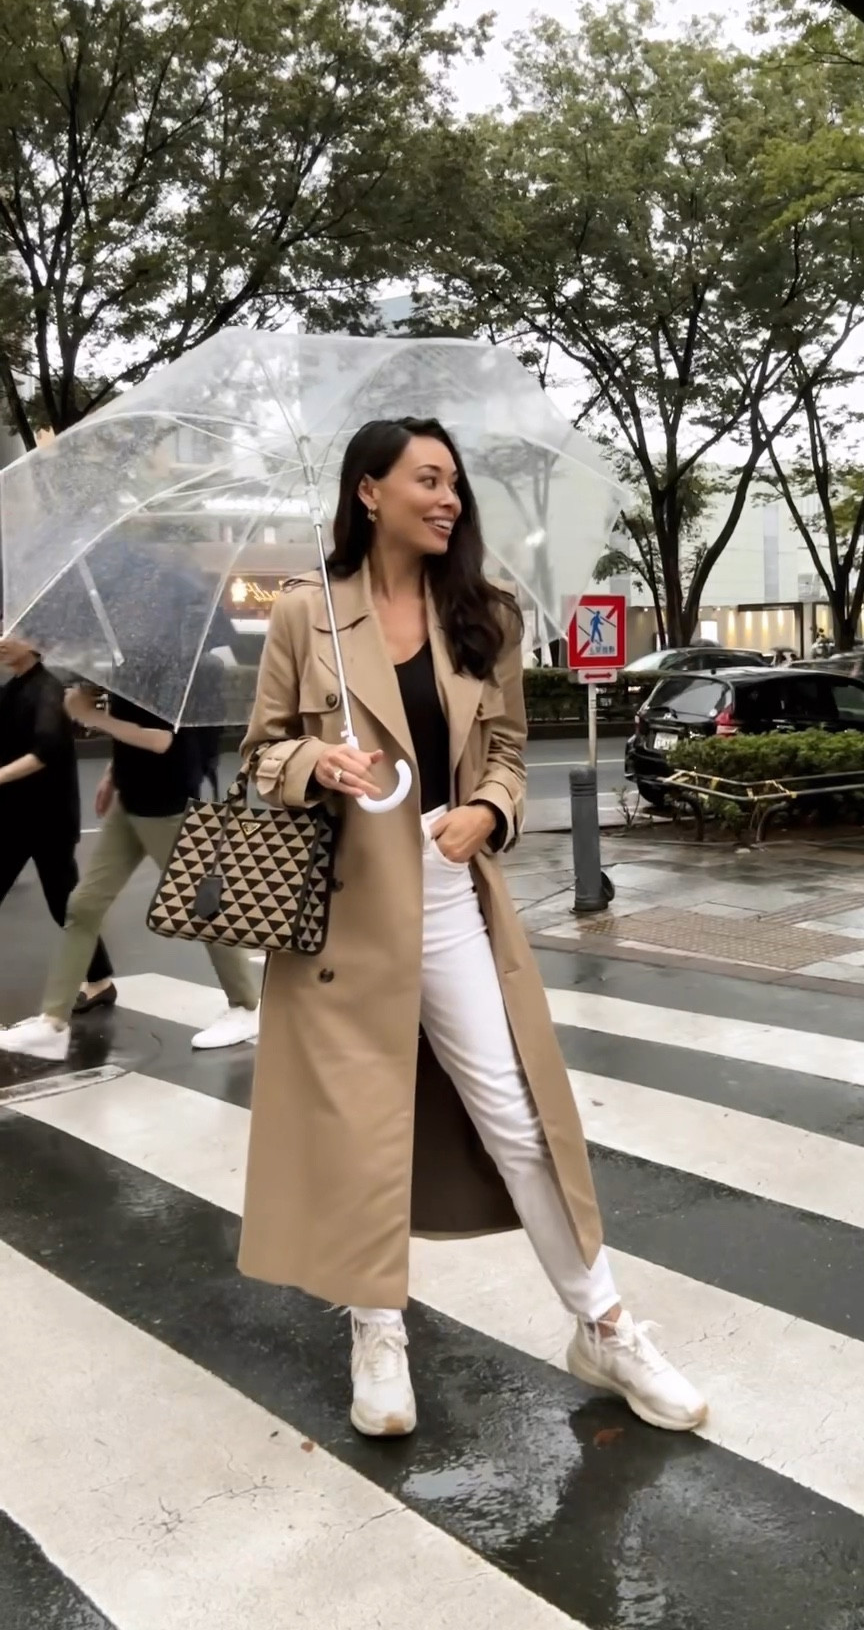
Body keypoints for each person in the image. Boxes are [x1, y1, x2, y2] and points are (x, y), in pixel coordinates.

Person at [239, 416, 707, 1439]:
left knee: (519, 1116)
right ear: (369, 491)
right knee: (364, 1128)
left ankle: (605, 1324)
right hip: (338, 916)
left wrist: (488, 812)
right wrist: (313, 765)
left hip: (447, 897)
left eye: (453, 483)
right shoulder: (304, 616)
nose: (448, 498)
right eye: (427, 480)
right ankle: (377, 1329)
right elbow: (259, 750)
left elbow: (504, 753)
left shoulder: (483, 613)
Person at [0, 682, 260, 1062]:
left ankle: (246, 1007)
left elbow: (161, 741)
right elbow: (132, 725)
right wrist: (112, 772)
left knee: (204, 908)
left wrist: (91, 717)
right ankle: (53, 1025)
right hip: (131, 801)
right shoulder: (132, 664)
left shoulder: (176, 668)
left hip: (168, 806)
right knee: (84, 905)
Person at [0, 634, 115, 1005]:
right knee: (65, 902)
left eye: (11, 635)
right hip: (17, 816)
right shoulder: (15, 687)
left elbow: (45, 750)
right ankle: (99, 979)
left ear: (35, 645)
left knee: (64, 902)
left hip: (45, 819)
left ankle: (99, 980)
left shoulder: (47, 690)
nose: (1, 641)